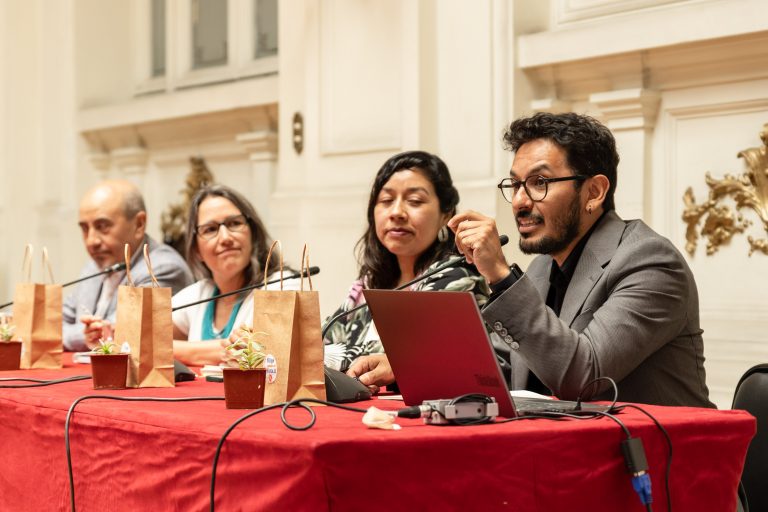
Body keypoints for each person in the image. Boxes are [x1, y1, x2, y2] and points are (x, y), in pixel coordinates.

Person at [350, 113, 713, 408]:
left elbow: (585, 376)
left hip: (660, 465)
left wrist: (500, 274)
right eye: (515, 185)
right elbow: (498, 369)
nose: (521, 202)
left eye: (539, 183)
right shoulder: (544, 267)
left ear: (594, 192)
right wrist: (405, 366)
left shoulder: (649, 262)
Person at [325, 151, 490, 384]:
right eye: (386, 200)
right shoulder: (370, 281)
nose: (397, 213)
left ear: (446, 215)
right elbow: (321, 342)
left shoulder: (458, 277)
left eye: (414, 201)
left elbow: (411, 357)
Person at [172, 185, 299, 366]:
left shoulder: (282, 285)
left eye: (234, 224)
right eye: (210, 229)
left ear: (253, 233)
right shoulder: (199, 292)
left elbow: (260, 352)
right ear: (196, 250)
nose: (225, 238)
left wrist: (173, 350)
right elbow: (146, 341)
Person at [63, 180, 193, 352]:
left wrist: (84, 333)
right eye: (85, 228)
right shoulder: (94, 267)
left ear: (139, 224)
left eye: (102, 226)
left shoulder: (162, 268)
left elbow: (122, 333)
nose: (91, 241)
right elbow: (52, 323)